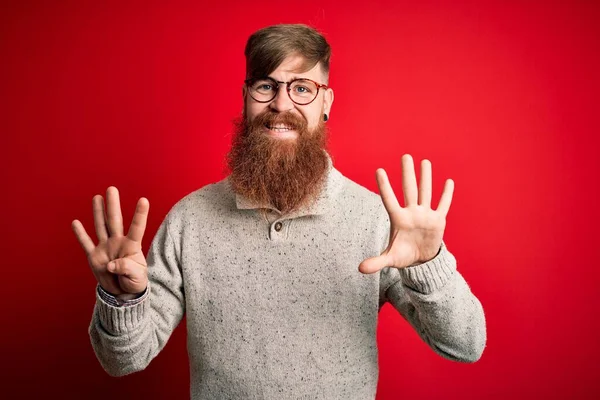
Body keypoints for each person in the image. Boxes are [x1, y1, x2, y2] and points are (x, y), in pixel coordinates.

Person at [72, 24, 486, 400]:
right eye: (266, 86)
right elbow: (123, 360)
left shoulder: (376, 219)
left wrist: (429, 266)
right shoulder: (190, 219)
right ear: (245, 97)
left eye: (302, 88)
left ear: (326, 102)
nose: (281, 104)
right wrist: (121, 299)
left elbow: (465, 345)